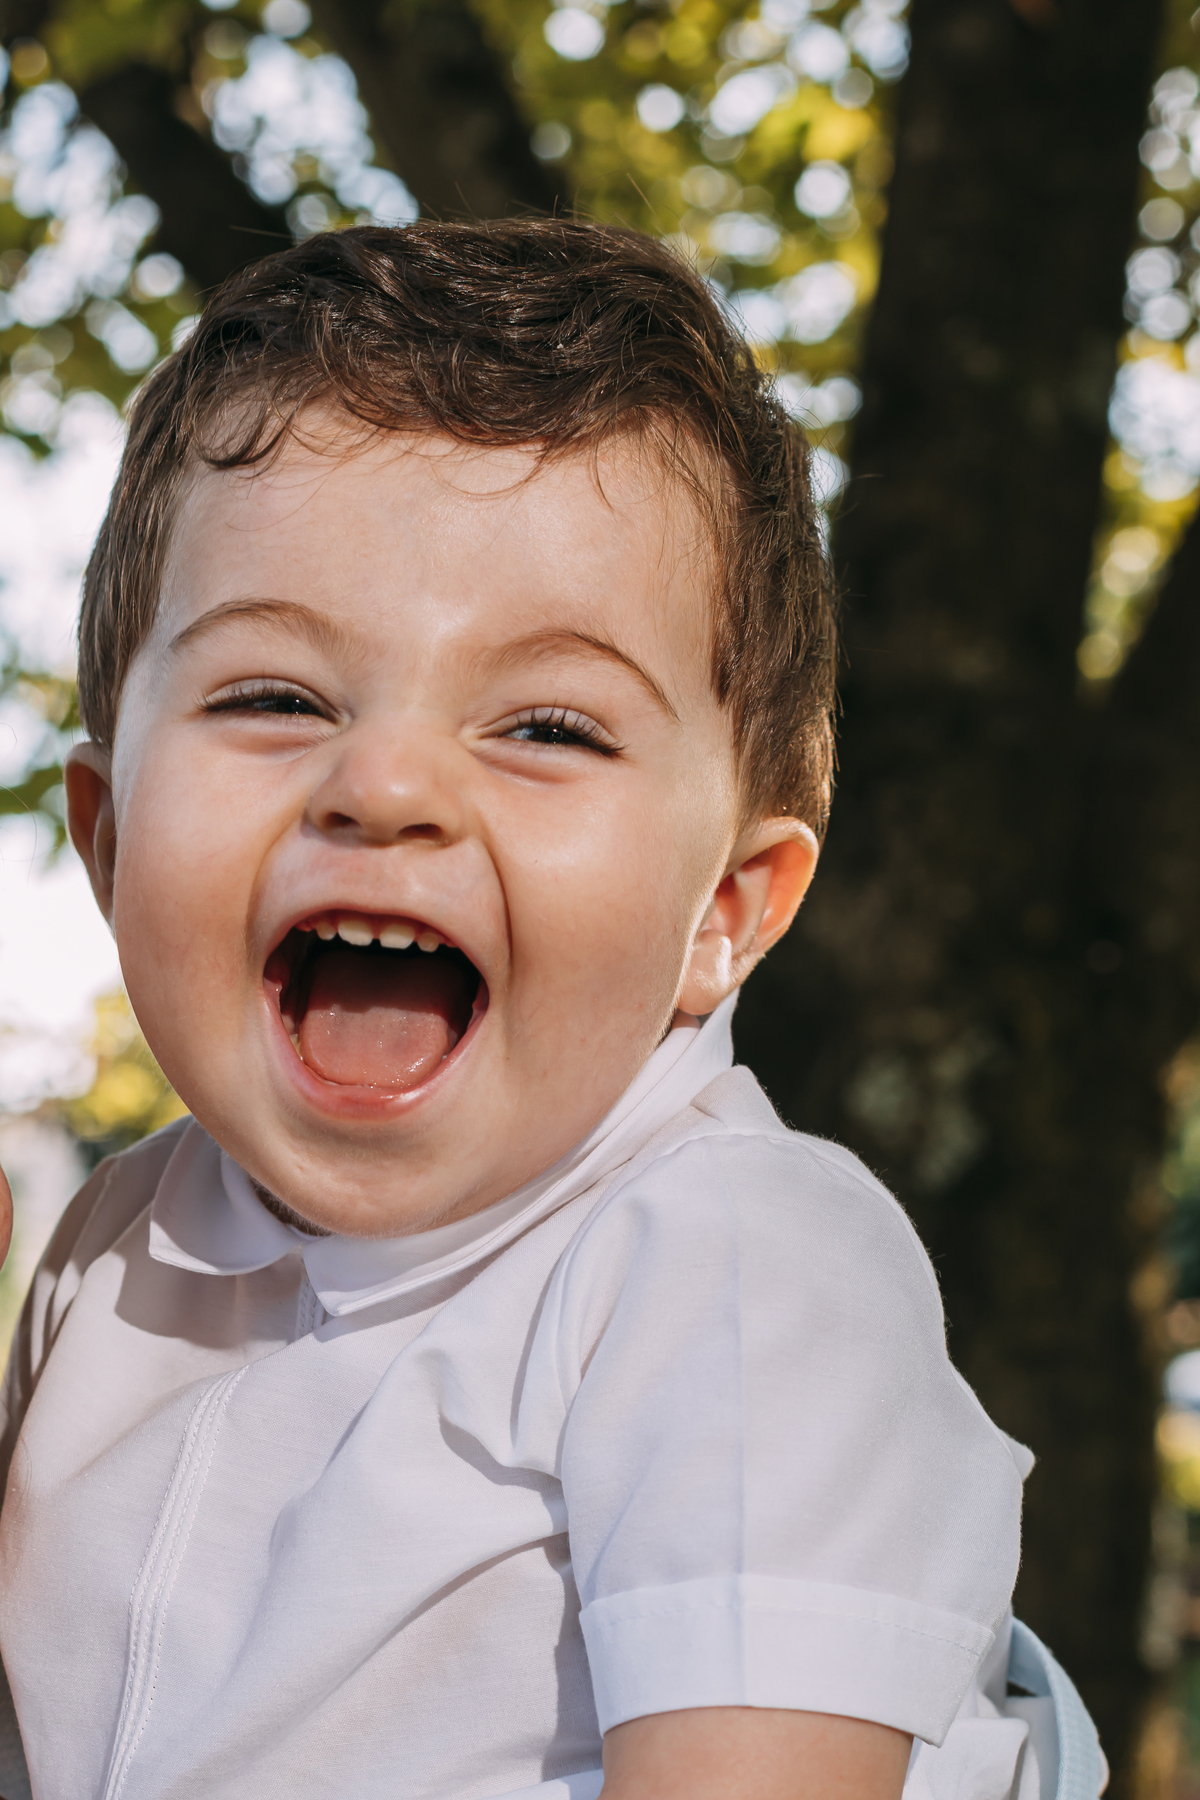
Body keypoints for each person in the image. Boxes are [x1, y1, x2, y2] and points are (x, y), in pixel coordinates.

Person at [0, 222, 1102, 1800]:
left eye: (547, 727)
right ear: (109, 841)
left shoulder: (737, 1271)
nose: (384, 783)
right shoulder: (110, 1249)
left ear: (725, 911)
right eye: (274, 696)